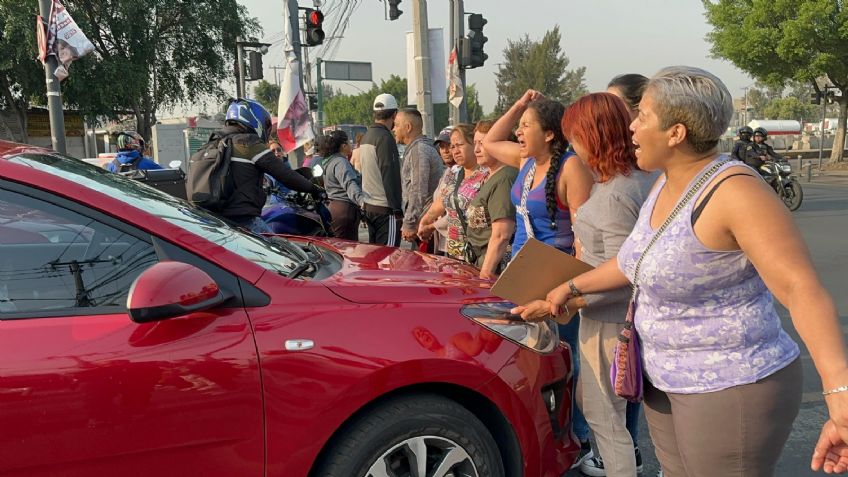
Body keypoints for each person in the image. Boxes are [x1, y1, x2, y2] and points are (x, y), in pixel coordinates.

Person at [513, 66, 848, 477]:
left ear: (676, 133)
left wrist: (839, 394)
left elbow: (801, 290)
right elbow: (632, 260)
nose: (631, 126)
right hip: (665, 380)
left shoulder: (735, 190)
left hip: (729, 385)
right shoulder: (663, 184)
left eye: (643, 117)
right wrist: (567, 288)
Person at [483, 92, 595, 469]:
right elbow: (489, 141)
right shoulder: (526, 161)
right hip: (522, 269)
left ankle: (578, 435)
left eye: (526, 125)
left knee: (567, 359)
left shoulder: (571, 168)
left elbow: (584, 237)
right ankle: (543, 429)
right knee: (531, 354)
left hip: (556, 274)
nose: (518, 131)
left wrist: (573, 286)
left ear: (549, 134)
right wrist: (518, 106)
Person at [560, 92, 658, 477]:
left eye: (574, 138)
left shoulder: (616, 193)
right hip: (612, 313)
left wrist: (570, 294)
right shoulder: (639, 180)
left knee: (607, 419)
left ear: (592, 136)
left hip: (607, 318)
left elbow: (623, 269)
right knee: (598, 405)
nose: (573, 148)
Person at [596, 72, 650, 476]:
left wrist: (568, 290)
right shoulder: (620, 181)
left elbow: (623, 267)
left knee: (613, 413)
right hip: (620, 312)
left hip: (616, 314)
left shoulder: (624, 188)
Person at [213, 98, 323, 234]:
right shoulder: (248, 143)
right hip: (243, 219)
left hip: (215, 219)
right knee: (280, 250)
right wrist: (314, 189)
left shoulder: (216, 143)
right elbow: (285, 175)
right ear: (253, 118)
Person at [418, 124, 488, 261]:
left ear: (473, 144)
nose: (455, 151)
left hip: (480, 252)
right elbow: (442, 201)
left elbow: (474, 215)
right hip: (455, 250)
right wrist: (425, 221)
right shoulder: (454, 172)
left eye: (459, 145)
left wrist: (432, 226)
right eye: (452, 146)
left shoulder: (486, 174)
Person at [464, 120, 517, 279]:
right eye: (475, 143)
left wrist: (485, 273)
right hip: (480, 260)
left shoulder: (504, 178)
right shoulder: (491, 175)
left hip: (494, 268)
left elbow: (502, 234)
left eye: (483, 143)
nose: (477, 149)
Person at [393, 108, 444, 245]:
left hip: (425, 225)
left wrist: (410, 223)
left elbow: (418, 189)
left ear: (408, 127)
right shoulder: (417, 149)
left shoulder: (419, 150)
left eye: (397, 125)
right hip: (424, 222)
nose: (394, 129)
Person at [359, 93, 403, 246]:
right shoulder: (385, 137)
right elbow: (389, 174)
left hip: (370, 206)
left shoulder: (366, 136)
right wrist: (397, 209)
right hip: (385, 209)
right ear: (395, 114)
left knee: (376, 257)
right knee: (388, 259)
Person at [318, 130, 367, 240]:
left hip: (334, 209)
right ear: (343, 146)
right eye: (349, 142)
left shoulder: (330, 161)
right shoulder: (341, 162)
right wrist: (362, 202)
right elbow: (349, 184)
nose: (351, 144)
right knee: (347, 250)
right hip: (344, 211)